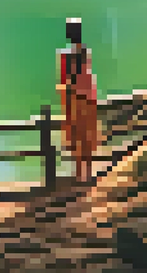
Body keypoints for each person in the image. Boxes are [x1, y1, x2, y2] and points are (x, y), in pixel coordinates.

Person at [57, 17, 100, 184]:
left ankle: (79, 173)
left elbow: (68, 79)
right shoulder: (85, 52)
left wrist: (64, 90)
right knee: (87, 135)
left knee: (77, 134)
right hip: (89, 97)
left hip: (76, 97)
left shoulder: (68, 56)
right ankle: (87, 172)